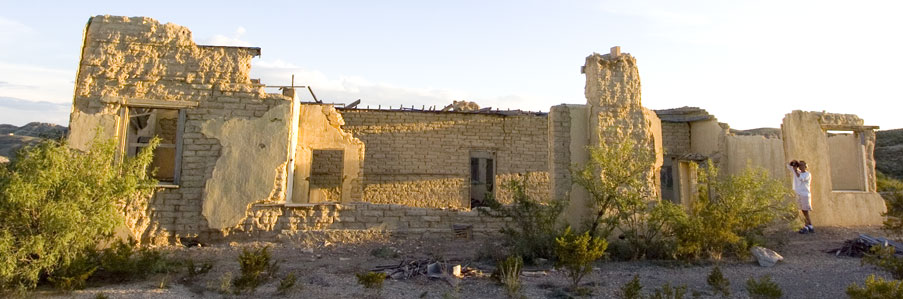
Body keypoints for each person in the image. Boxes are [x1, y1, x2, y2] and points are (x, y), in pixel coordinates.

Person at [788, 160, 813, 234]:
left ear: (806, 166)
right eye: (800, 165)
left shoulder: (807, 174)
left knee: (805, 211)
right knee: (803, 211)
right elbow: (789, 167)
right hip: (799, 194)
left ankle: (807, 226)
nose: (801, 166)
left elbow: (801, 178)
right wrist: (793, 163)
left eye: (803, 165)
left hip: (805, 194)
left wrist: (796, 171)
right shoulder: (797, 172)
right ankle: (809, 226)